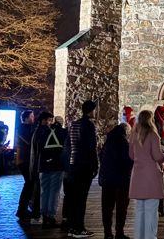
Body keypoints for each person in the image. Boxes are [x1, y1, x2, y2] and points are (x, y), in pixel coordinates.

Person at [129, 109, 164, 239]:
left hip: (138, 175)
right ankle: (150, 236)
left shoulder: (134, 134)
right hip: (151, 175)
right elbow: (157, 156)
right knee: (151, 210)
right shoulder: (153, 135)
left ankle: (138, 236)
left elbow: (131, 155)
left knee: (139, 210)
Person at [64, 100, 99, 237]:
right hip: (84, 164)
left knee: (73, 196)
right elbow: (91, 147)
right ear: (91, 111)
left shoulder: (74, 124)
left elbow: (69, 144)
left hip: (73, 163)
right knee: (81, 197)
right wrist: (95, 165)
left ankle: (72, 227)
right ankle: (79, 228)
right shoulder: (88, 125)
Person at [99, 123, 134, 239]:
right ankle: (119, 232)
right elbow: (127, 161)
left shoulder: (108, 142)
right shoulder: (124, 143)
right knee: (121, 208)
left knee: (107, 208)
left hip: (107, 180)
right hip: (121, 180)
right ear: (126, 131)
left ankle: (107, 233)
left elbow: (101, 157)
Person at [34, 111, 66, 228]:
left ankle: (44, 216)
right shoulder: (62, 133)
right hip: (57, 165)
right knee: (54, 192)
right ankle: (51, 216)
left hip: (43, 165)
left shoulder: (41, 132)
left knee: (45, 191)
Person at [16, 109, 39, 220]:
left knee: (30, 184)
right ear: (26, 118)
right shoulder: (22, 128)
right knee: (29, 183)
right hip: (24, 159)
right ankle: (22, 210)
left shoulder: (27, 128)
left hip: (26, 159)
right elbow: (29, 141)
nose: (33, 118)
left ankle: (24, 209)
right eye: (31, 116)